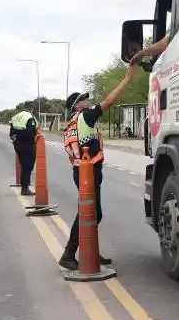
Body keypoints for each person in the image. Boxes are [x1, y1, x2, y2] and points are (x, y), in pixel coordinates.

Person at [59, 61, 140, 270]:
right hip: (89, 172)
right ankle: (69, 254)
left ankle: (90, 250)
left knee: (95, 213)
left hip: (82, 171)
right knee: (88, 212)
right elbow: (109, 101)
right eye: (83, 99)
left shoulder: (73, 122)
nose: (87, 100)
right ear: (78, 106)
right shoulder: (86, 116)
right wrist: (126, 79)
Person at [9, 107, 37, 196]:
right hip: (27, 145)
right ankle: (24, 189)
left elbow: (11, 133)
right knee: (27, 167)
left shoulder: (16, 117)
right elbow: (30, 133)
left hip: (17, 145)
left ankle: (25, 185)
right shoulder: (29, 117)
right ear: (31, 109)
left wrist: (17, 136)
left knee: (24, 165)